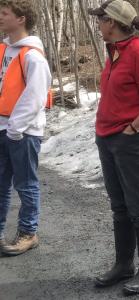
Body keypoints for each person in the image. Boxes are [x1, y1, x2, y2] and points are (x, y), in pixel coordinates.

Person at [88, 0, 139, 295]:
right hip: (108, 138)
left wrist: (133, 128)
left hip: (133, 141)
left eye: (101, 20)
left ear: (113, 22)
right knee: (119, 205)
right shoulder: (115, 53)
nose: (98, 24)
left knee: (138, 206)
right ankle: (123, 265)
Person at [0, 0, 51, 256]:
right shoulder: (3, 50)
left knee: (25, 183)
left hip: (23, 132)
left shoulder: (32, 56)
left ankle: (28, 233)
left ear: (21, 19)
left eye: (4, 13)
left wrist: (15, 129)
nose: (0, 16)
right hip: (2, 128)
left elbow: (34, 97)